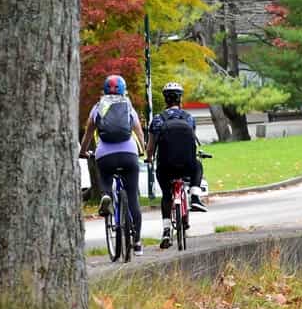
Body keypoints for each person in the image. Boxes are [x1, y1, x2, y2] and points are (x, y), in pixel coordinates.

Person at [79, 74, 144, 254]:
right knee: (132, 199)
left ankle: (106, 195)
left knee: (106, 179)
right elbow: (138, 131)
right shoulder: (128, 106)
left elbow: (87, 134)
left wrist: (83, 152)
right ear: (124, 90)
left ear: (105, 90)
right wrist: (142, 149)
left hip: (104, 155)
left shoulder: (98, 107)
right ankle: (137, 243)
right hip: (129, 154)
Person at [146, 82, 207, 250]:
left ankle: (166, 230)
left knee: (167, 195)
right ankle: (195, 196)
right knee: (198, 165)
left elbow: (151, 147)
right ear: (180, 99)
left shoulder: (157, 120)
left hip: (165, 167)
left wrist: (149, 158)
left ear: (165, 99)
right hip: (187, 164)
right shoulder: (188, 118)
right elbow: (191, 142)